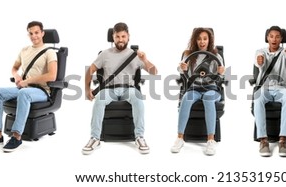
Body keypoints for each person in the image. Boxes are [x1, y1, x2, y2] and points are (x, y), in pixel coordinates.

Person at [0, 21, 58, 152]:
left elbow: (52, 76)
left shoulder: (50, 52)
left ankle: (17, 136)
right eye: (31, 33)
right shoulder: (24, 50)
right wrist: (17, 76)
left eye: (36, 32)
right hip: (24, 88)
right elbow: (14, 68)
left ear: (42, 33)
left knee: (23, 93)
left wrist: (27, 81)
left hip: (41, 91)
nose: (34, 36)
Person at [82, 22, 157, 155]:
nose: (120, 39)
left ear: (128, 37)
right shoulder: (105, 54)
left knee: (138, 98)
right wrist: (87, 89)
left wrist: (145, 60)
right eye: (117, 36)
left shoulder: (135, 54)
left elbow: (154, 72)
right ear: (113, 37)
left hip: (129, 88)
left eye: (123, 36)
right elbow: (90, 70)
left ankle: (139, 136)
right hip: (109, 89)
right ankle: (95, 138)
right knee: (99, 99)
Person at [170, 27, 225, 156]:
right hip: (194, 88)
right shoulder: (188, 54)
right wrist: (181, 67)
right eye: (199, 39)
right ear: (195, 40)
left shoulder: (216, 55)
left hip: (211, 88)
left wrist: (221, 72)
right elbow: (180, 69)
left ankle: (210, 140)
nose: (202, 42)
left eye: (205, 39)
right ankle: (179, 138)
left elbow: (221, 74)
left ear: (209, 40)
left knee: (208, 98)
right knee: (186, 98)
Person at [253, 26, 286, 157]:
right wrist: (260, 61)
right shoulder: (260, 52)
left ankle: (283, 140)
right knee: (257, 96)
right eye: (271, 36)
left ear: (281, 39)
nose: (274, 39)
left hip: (282, 88)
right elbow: (258, 62)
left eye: (277, 36)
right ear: (267, 38)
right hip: (264, 88)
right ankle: (263, 140)